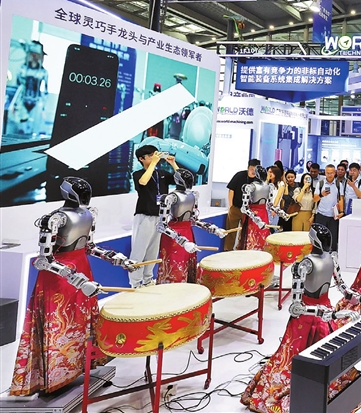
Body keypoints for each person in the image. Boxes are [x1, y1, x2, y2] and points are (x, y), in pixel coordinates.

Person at [10, 177, 133, 396]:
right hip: (59, 278)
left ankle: (83, 365)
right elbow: (43, 260)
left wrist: (115, 257)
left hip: (81, 269)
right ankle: (54, 378)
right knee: (59, 325)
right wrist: (75, 278)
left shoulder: (89, 214)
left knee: (82, 321)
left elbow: (89, 246)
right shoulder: (54, 219)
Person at [240, 225, 361, 412]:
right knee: (296, 363)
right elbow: (296, 307)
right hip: (305, 321)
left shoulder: (331, 258)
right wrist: (331, 314)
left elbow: (343, 287)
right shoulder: (305, 265)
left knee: (329, 358)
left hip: (324, 316)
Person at [156, 169, 226, 284]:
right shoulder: (170, 197)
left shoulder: (193, 195)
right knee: (174, 266)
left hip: (187, 231)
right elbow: (162, 226)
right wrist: (182, 241)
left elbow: (194, 220)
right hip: (173, 236)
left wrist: (213, 229)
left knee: (188, 264)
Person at [130, 145, 178, 289]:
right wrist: (153, 164)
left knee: (152, 250)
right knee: (139, 250)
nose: (154, 157)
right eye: (150, 155)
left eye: (155, 154)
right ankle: (135, 283)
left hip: (160, 216)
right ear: (141, 159)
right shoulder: (138, 174)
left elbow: (181, 179)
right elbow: (143, 182)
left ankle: (147, 280)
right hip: (144, 215)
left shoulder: (161, 173)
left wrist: (173, 163)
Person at [224, 159, 259, 251]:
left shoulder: (258, 180)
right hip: (236, 207)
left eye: (255, 170)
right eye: (251, 169)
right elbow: (231, 190)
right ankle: (228, 250)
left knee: (245, 232)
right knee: (231, 230)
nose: (253, 172)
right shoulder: (239, 175)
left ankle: (241, 249)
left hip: (249, 210)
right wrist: (231, 206)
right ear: (248, 168)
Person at [313, 165, 343, 251]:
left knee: (333, 238)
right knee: (319, 237)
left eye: (331, 173)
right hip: (321, 214)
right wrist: (321, 194)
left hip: (333, 215)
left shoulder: (339, 184)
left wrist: (341, 211)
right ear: (325, 173)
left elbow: (341, 199)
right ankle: (318, 253)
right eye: (327, 173)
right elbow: (314, 199)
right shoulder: (320, 183)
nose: (329, 175)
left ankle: (333, 254)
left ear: (335, 173)